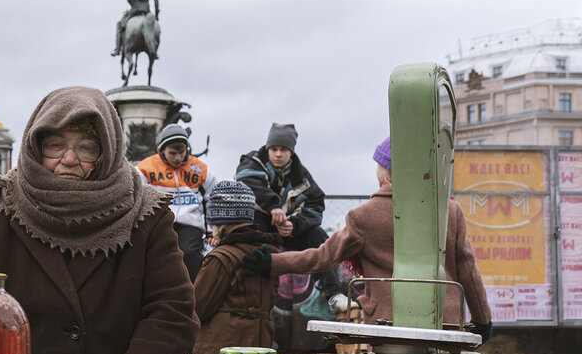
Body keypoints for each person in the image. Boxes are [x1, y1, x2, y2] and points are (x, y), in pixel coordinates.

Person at [0, 86, 199, 354]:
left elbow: (172, 314)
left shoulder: (147, 215)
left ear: (107, 151)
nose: (69, 159)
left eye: (86, 147)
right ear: (36, 146)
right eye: (55, 145)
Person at [241, 137, 493, 339]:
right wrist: (483, 320)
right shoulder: (449, 212)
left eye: (379, 163)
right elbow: (467, 270)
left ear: (386, 170)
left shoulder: (364, 216)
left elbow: (322, 257)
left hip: (387, 327)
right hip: (444, 325)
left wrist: (272, 263)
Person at [190, 180, 283, 354]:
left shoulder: (222, 257)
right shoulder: (269, 255)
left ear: (220, 221)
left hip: (223, 350)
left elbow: (198, 308)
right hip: (260, 342)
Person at [136, 123, 215, 281]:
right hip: (158, 222)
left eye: (182, 152)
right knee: (156, 255)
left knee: (190, 253)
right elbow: (134, 197)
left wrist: (211, 231)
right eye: (173, 153)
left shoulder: (200, 169)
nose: (178, 158)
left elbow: (213, 198)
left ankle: (195, 294)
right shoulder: (145, 168)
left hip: (190, 224)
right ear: (161, 151)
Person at [234, 123, 327, 252]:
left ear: (291, 152)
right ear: (268, 149)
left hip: (285, 232)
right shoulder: (253, 161)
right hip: (255, 228)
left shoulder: (301, 176)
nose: (278, 154)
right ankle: (255, 267)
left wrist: (293, 225)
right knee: (253, 213)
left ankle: (327, 272)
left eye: (283, 149)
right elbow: (249, 182)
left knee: (319, 236)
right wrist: (273, 206)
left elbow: (316, 204)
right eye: (274, 149)